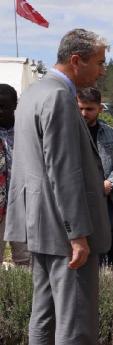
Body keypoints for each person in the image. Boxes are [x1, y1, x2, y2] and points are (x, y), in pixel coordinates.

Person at [4, 28, 111, 345]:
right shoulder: (60, 98)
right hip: (64, 229)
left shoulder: (33, 93)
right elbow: (64, 171)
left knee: (44, 312)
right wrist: (78, 233)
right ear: (77, 60)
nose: (102, 71)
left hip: (37, 224)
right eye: (99, 63)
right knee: (75, 315)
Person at [77, 87, 113, 269]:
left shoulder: (109, 132)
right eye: (80, 108)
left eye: (89, 109)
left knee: (110, 240)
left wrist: (111, 181)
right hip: (80, 199)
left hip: (106, 199)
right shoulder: (69, 133)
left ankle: (107, 280)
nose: (84, 113)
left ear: (99, 109)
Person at [0, 83, 30, 266]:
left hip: (23, 205)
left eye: (3, 106)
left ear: (15, 105)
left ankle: (25, 295)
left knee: (26, 260)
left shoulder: (27, 132)